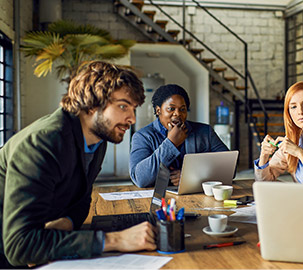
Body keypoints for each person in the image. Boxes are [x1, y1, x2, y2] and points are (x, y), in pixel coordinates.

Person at [0, 61, 157, 268]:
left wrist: (65, 223)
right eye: (123, 106)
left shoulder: (96, 139)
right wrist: (116, 240)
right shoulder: (43, 144)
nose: (132, 118)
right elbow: (20, 246)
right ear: (92, 104)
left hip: (39, 244)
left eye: (133, 109)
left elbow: (82, 201)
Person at [129, 84, 229, 188]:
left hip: (198, 196)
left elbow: (229, 166)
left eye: (182, 109)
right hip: (159, 199)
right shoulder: (142, 136)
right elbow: (140, 179)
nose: (177, 114)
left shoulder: (205, 132)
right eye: (171, 108)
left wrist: (191, 176)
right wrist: (171, 143)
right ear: (158, 110)